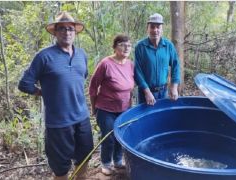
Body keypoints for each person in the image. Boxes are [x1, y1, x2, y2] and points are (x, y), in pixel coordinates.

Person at [18, 12, 93, 180]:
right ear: (55, 32)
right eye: (61, 29)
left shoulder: (82, 55)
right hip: (58, 122)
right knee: (60, 166)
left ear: (75, 32)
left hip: (82, 117)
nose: (66, 32)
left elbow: (81, 77)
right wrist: (42, 92)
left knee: (85, 156)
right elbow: (24, 84)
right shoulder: (44, 56)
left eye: (70, 29)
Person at [89, 34, 134, 176]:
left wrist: (130, 106)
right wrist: (93, 106)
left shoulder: (130, 65)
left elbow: (131, 88)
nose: (126, 47)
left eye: (128, 45)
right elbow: (93, 86)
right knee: (108, 137)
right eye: (122, 44)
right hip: (105, 109)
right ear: (114, 47)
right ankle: (106, 163)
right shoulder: (106, 64)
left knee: (120, 136)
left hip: (124, 109)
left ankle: (118, 160)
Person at [134, 13, 181, 105]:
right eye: (152, 27)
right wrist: (147, 92)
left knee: (162, 118)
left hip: (163, 92)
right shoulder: (140, 47)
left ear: (162, 29)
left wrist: (174, 86)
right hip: (145, 93)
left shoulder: (168, 46)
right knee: (146, 118)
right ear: (148, 28)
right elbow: (137, 71)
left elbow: (176, 66)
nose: (155, 30)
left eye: (158, 27)